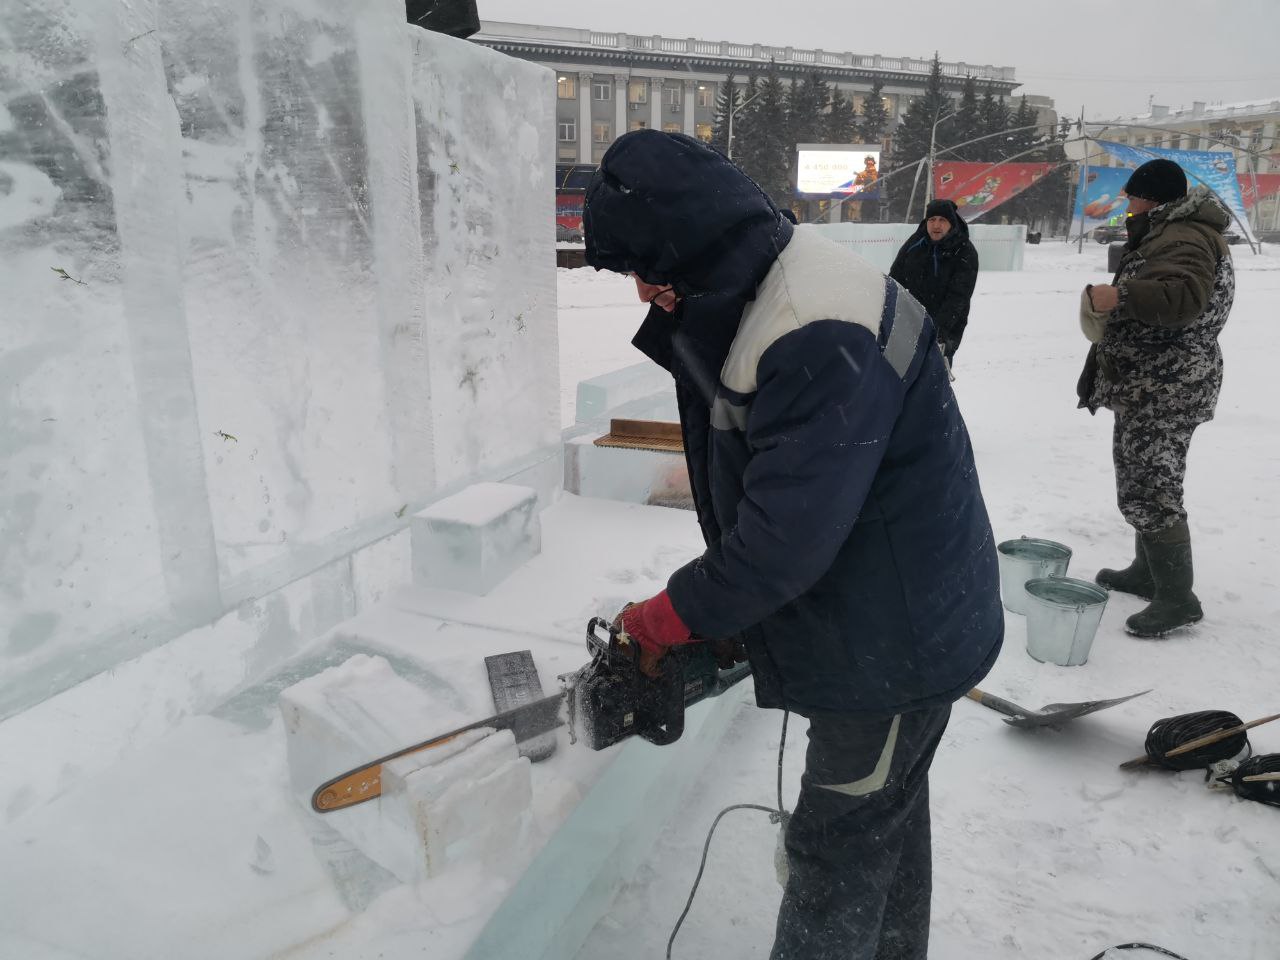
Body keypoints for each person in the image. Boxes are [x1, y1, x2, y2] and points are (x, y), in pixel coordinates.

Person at [583, 129, 1003, 960]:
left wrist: (663, 620)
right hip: (884, 607)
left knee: (837, 850)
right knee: (881, 817)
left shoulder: (813, 329)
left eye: (647, 271)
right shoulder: (769, 283)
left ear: (691, 249)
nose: (640, 291)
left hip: (896, 645)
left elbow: (781, 544)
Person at [1077, 158, 1235, 637]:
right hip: (1155, 382)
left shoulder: (1182, 236)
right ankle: (1147, 573)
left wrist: (1119, 297)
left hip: (1167, 385)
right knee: (1142, 480)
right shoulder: (1174, 231)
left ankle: (1176, 597)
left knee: (1151, 489)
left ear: (1155, 199)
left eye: (1134, 196)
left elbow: (1183, 296)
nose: (1128, 203)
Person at [889, 198, 979, 364]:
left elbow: (958, 297)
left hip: (944, 330)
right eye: (932, 220)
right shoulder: (915, 243)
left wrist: (939, 331)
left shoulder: (964, 251)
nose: (936, 225)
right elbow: (895, 279)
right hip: (909, 324)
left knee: (932, 379)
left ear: (951, 223)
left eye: (942, 220)